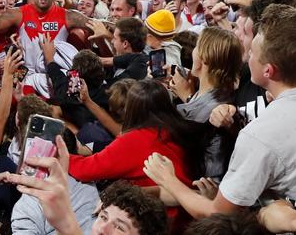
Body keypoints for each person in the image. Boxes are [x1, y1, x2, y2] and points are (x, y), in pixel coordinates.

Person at [144, 3, 296, 220]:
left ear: (268, 70)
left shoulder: (261, 135)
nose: (248, 56)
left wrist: (169, 181)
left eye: (252, 52)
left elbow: (218, 213)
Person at [69, 79, 203, 234]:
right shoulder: (176, 129)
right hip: (189, 219)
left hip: (164, 225)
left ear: (131, 109)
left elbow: (84, 170)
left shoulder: (136, 141)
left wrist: (53, 153)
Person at [6, 135, 168, 235]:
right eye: (103, 217)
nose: (101, 229)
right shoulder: (27, 208)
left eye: (119, 227)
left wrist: (66, 226)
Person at [169, 26, 243, 180]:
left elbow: (212, 181)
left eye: (197, 46)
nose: (193, 51)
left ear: (205, 58)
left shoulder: (218, 113)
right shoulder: (211, 95)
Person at [107, 17, 148, 84]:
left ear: (125, 44)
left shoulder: (131, 77)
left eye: (115, 38)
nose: (112, 41)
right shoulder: (143, 60)